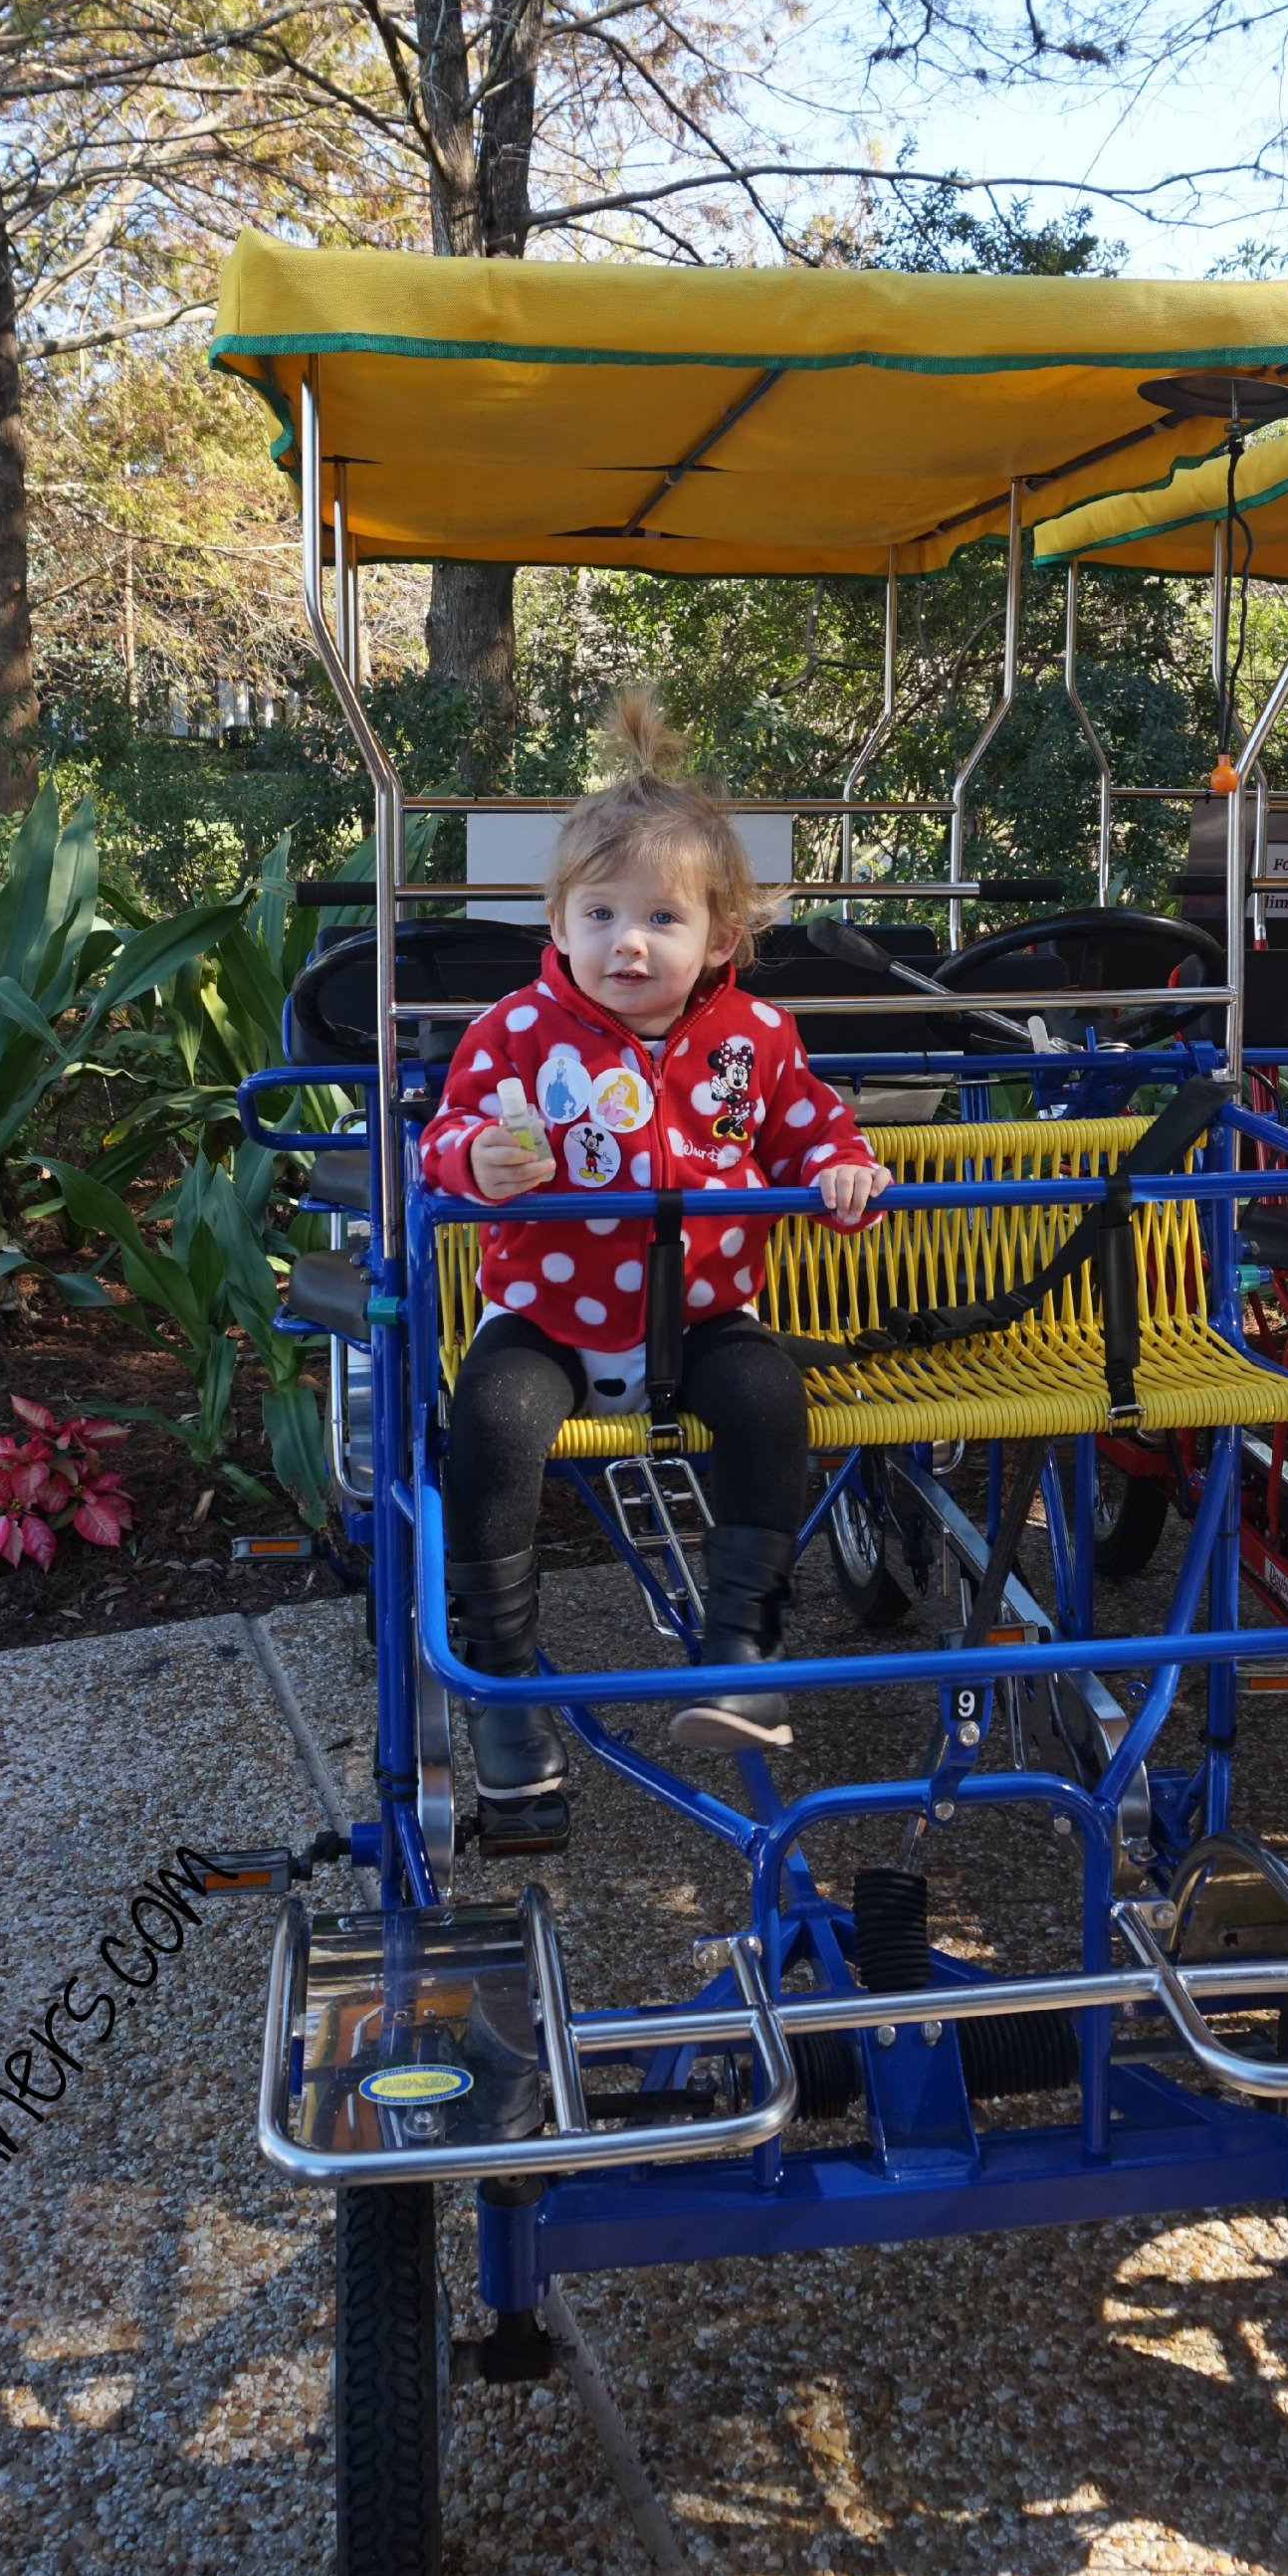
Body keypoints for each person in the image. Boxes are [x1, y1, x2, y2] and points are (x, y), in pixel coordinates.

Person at [420, 694, 890, 1798]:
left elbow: (807, 1124)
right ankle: (497, 1678)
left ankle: (741, 1648)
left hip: (705, 1312)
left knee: (769, 1401)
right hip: (550, 1312)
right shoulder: (516, 1034)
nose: (626, 943)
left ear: (719, 938)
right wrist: (478, 1158)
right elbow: (442, 1134)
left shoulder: (755, 1037)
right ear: (558, 924)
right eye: (599, 916)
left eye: (661, 921)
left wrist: (842, 1172)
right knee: (490, 1419)